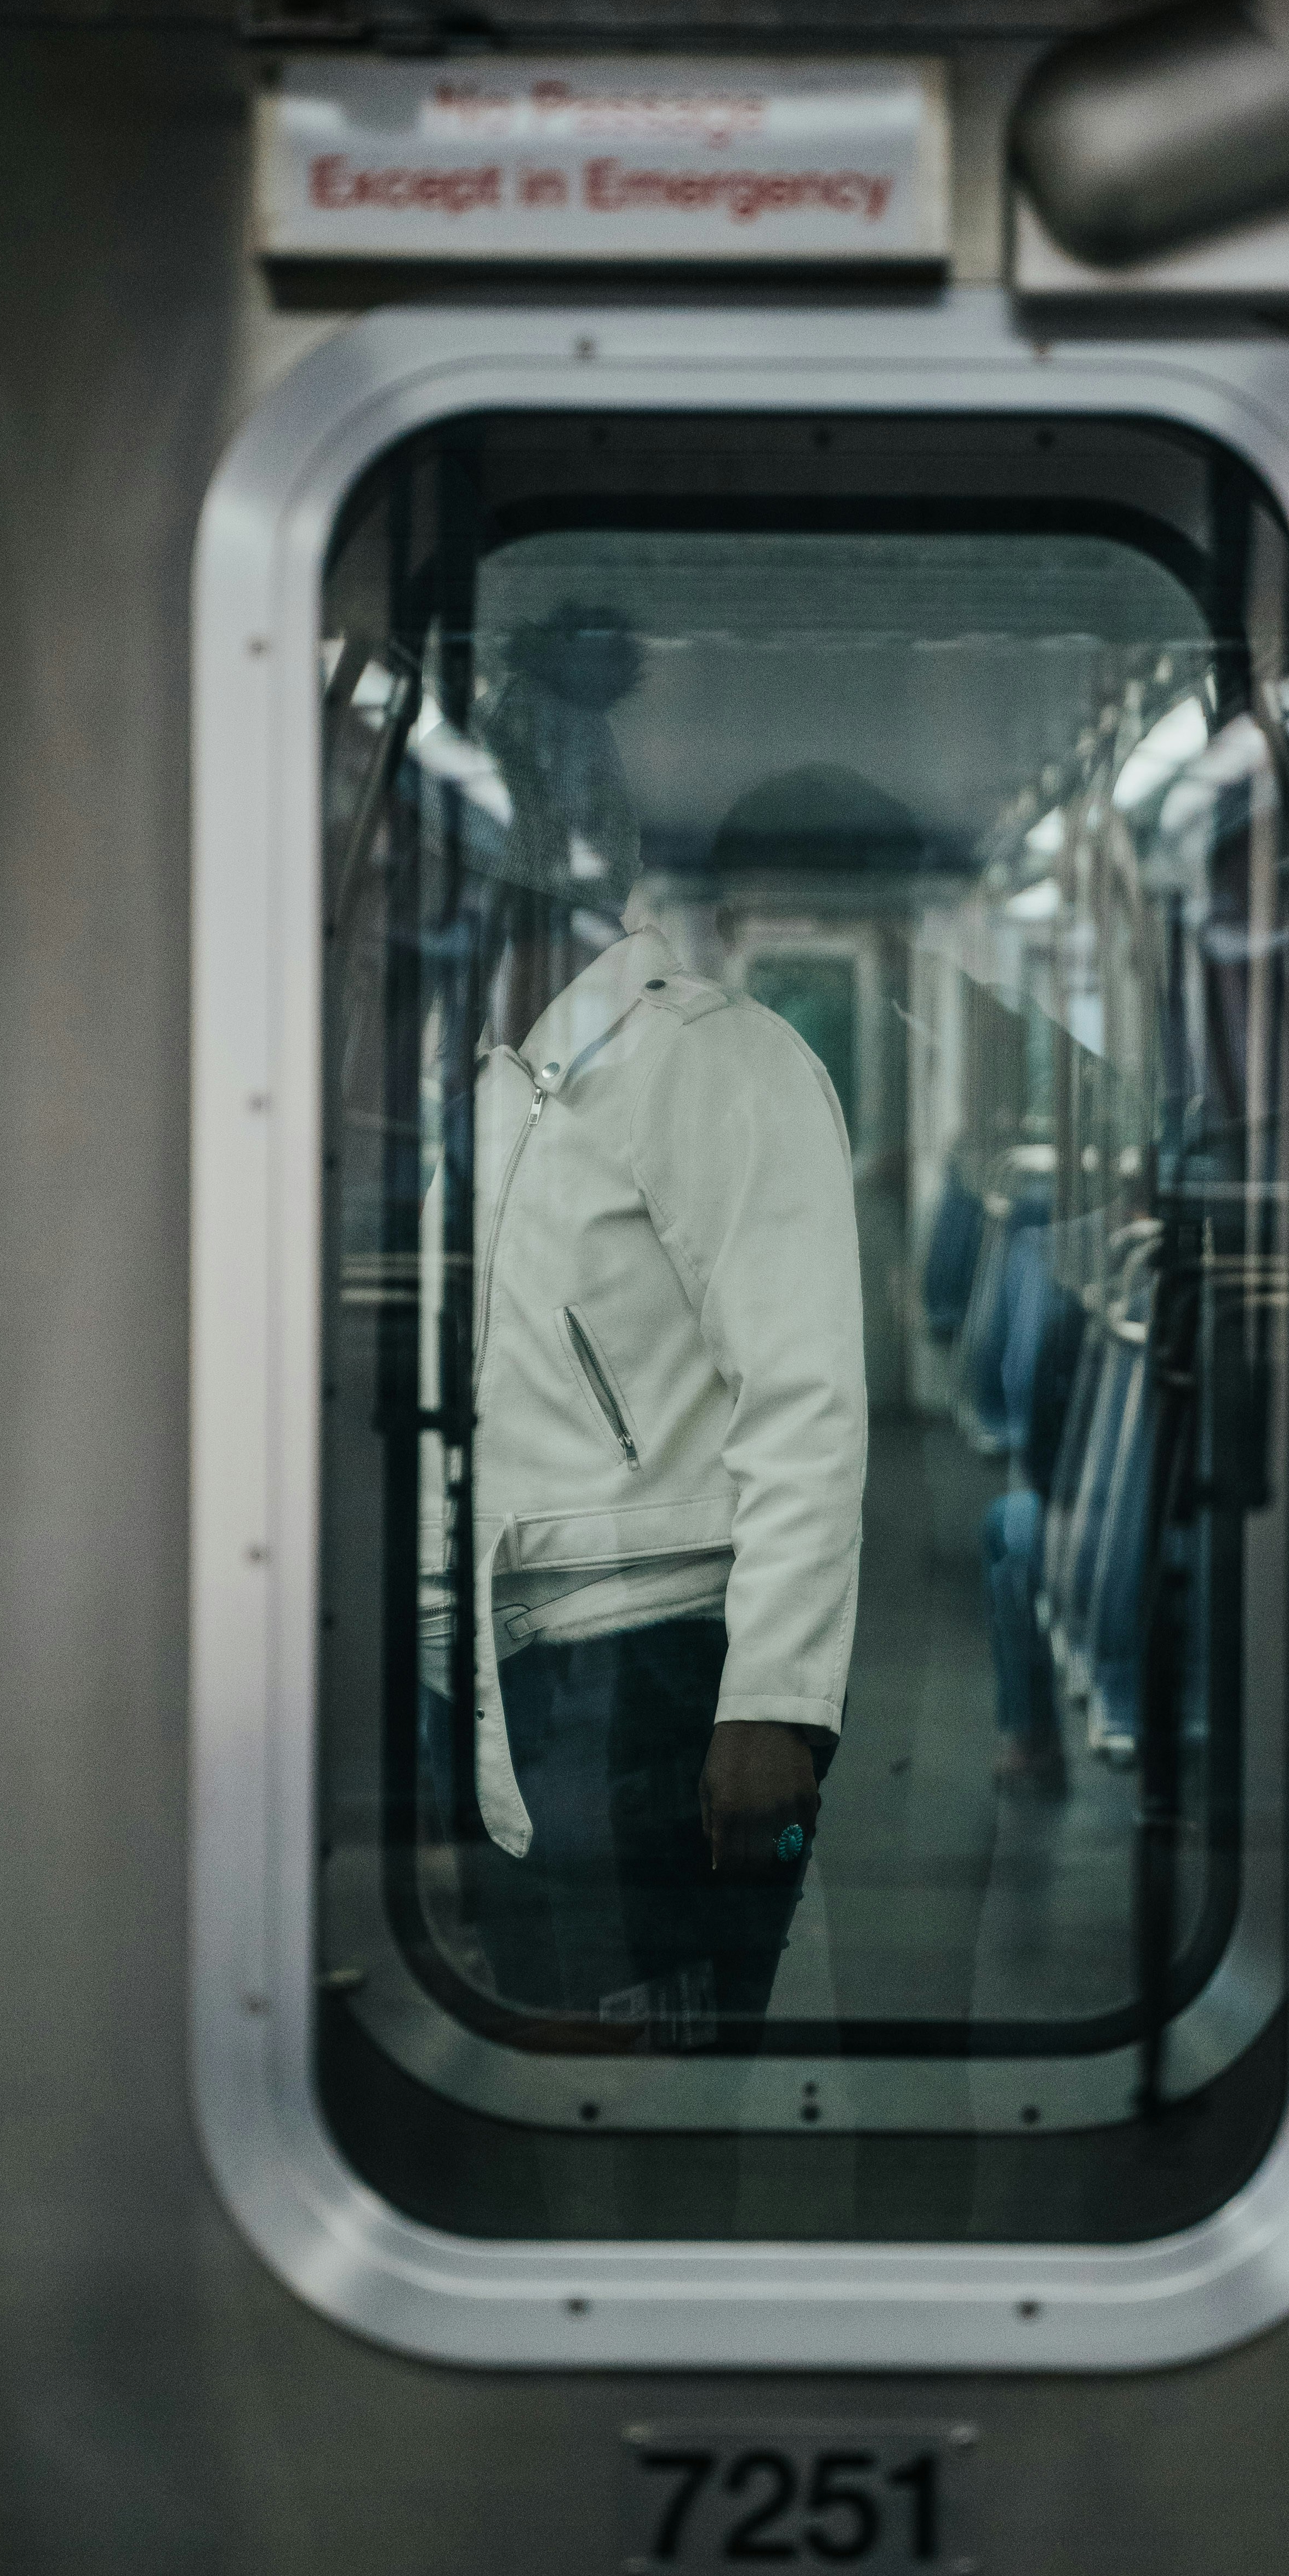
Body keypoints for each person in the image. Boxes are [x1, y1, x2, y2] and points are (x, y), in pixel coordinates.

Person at [426, 604, 869, 2042]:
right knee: (531, 2069)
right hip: (496, 1669)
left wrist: (773, 1706)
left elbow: (805, 1398)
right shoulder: (481, 1084)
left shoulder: (715, 1064)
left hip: (651, 1671)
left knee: (649, 2078)